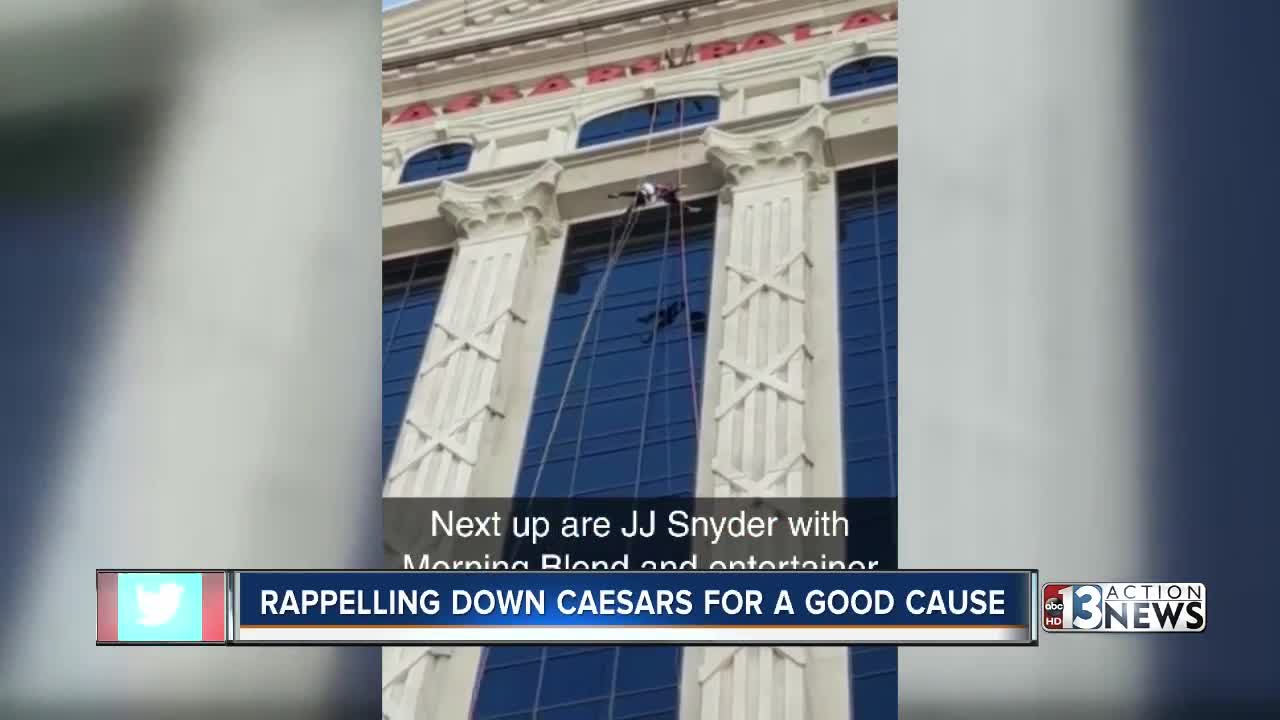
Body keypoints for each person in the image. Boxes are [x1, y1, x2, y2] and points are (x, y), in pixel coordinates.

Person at [609, 182, 701, 214]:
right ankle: (626, 211)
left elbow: (672, 193)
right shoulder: (654, 190)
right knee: (634, 202)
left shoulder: (667, 194)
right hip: (648, 198)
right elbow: (633, 193)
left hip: (649, 199)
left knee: (634, 202)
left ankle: (689, 208)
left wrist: (679, 188)